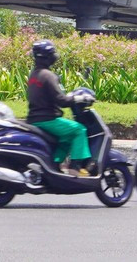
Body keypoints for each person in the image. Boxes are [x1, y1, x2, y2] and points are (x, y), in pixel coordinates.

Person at [25, 41, 91, 174]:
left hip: (34, 118)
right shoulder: (48, 76)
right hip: (48, 119)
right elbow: (61, 101)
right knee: (79, 130)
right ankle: (75, 167)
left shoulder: (34, 75)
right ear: (49, 57)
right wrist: (77, 98)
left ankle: (55, 164)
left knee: (66, 137)